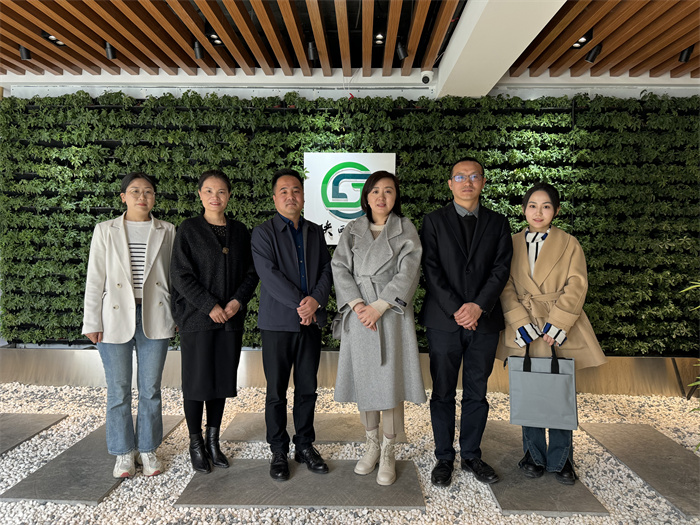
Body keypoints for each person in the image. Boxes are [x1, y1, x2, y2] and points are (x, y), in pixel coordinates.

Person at [496, 182, 606, 485]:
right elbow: (504, 285)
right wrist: (520, 321)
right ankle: (533, 455)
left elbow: (577, 284)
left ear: (556, 210)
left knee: (559, 392)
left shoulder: (569, 243)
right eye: (532, 205)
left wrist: (557, 324)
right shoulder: (510, 242)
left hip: (558, 329)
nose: (538, 212)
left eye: (546, 206)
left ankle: (562, 458)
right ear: (523, 209)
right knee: (528, 390)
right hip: (525, 329)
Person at [420, 157, 512, 487]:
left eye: (474, 176)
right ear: (450, 184)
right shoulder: (433, 221)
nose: (467, 182)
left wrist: (478, 307)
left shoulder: (498, 223)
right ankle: (444, 457)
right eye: (460, 177)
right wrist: (458, 308)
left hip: (483, 322)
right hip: (444, 321)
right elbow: (430, 269)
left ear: (483, 182)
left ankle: (472, 454)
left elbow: (501, 269)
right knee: (442, 392)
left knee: (477, 391)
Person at [332, 171, 426, 486]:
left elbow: (409, 271)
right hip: (359, 313)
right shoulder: (353, 229)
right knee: (365, 380)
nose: (381, 197)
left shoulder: (405, 228)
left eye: (388, 191)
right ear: (366, 196)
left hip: (390, 314)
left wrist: (380, 305)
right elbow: (339, 267)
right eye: (375, 191)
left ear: (396, 196)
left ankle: (389, 448)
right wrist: (358, 304)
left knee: (390, 380)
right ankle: (371, 443)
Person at [82, 172, 176, 478]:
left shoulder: (167, 230)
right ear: (123, 197)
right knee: (118, 389)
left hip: (155, 315)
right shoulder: (105, 230)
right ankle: (123, 452)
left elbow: (174, 278)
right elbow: (95, 278)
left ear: (154, 197)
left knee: (150, 388)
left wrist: (176, 316)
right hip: (113, 317)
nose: (141, 196)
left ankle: (147, 449)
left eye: (148, 191)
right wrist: (91, 321)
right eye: (135, 191)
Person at [170, 170, 258, 474]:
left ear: (229, 195)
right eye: (208, 191)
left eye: (221, 191)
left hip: (229, 321)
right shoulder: (189, 229)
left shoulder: (240, 231)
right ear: (200, 194)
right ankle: (195, 444)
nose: (215, 197)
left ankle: (213, 441)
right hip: (197, 320)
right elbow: (180, 275)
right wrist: (210, 306)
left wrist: (236, 302)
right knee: (197, 384)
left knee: (220, 382)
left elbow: (251, 273)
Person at [251, 168, 333, 482]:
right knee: (276, 391)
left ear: (303, 196)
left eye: (295, 190)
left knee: (308, 388)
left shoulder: (315, 231)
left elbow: (326, 270)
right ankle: (278, 449)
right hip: (278, 324)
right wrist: (304, 304)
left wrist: (316, 301)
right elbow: (269, 276)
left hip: (309, 324)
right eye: (283, 191)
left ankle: (305, 445)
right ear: (275, 198)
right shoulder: (263, 233)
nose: (290, 196)